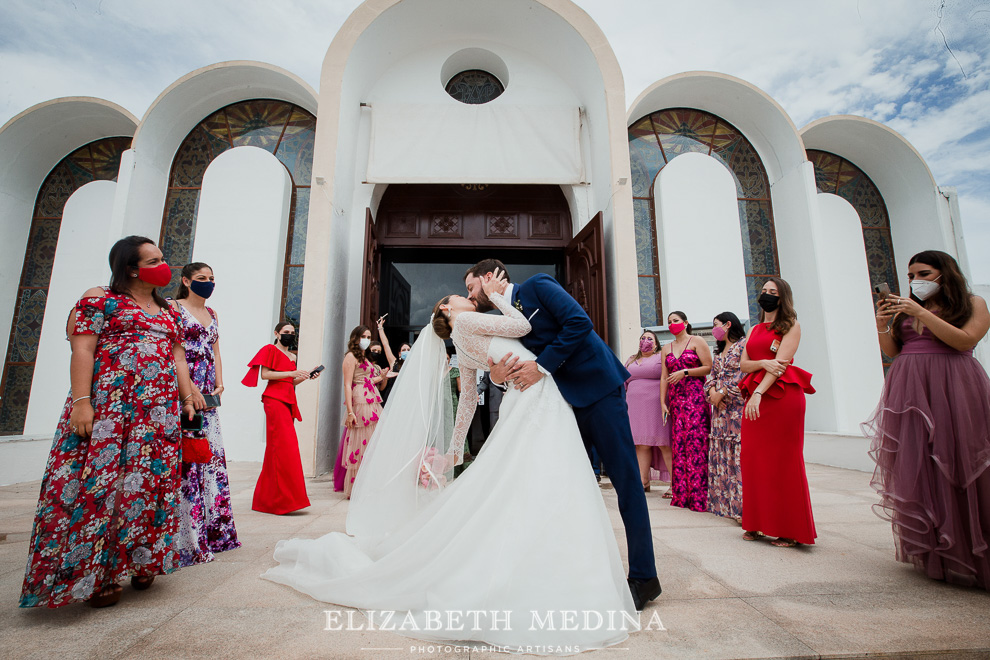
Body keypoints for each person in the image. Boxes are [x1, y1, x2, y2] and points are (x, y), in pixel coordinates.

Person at [263, 269, 639, 650]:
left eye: (471, 288)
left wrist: (455, 450)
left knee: (525, 485)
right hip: (534, 401)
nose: (468, 295)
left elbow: (472, 399)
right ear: (447, 308)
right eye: (461, 294)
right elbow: (523, 327)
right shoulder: (470, 319)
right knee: (540, 483)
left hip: (528, 399)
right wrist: (498, 298)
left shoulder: (462, 336)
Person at [20, 236, 205, 608]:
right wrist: (82, 403)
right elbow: (82, 348)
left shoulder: (168, 310)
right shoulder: (100, 298)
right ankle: (96, 573)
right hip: (110, 410)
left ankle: (143, 558)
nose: (163, 265)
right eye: (153, 260)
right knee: (102, 488)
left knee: (150, 485)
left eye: (163, 258)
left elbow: (178, 357)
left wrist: (188, 397)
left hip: (157, 416)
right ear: (130, 268)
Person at [477, 260, 660, 609]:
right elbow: (512, 363)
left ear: (489, 278)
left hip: (599, 391)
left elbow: (579, 323)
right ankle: (577, 573)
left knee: (625, 482)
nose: (473, 298)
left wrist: (542, 366)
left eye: (473, 288)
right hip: (561, 408)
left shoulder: (537, 285)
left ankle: (644, 576)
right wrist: (499, 376)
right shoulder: (501, 319)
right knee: (567, 488)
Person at [866, 250, 990, 588]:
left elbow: (966, 339)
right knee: (921, 464)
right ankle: (938, 550)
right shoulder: (907, 310)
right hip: (911, 391)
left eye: (922, 274)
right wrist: (882, 327)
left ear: (944, 273)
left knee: (963, 461)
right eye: (909, 276)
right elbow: (894, 350)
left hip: (954, 387)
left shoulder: (972, 303)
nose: (914, 281)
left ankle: (976, 549)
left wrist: (921, 311)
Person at [171, 262, 240, 566]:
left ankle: (214, 529)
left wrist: (220, 381)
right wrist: (189, 390)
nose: (208, 283)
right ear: (186, 280)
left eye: (212, 278)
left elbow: (215, 349)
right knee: (186, 456)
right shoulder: (174, 308)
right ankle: (186, 534)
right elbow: (173, 349)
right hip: (182, 389)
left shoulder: (212, 314)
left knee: (207, 455)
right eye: (201, 279)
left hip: (207, 388)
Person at [739, 278, 816, 547]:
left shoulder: (791, 326)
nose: (767, 295)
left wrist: (759, 392)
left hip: (780, 397)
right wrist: (762, 363)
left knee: (783, 461)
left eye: (773, 292)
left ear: (782, 298)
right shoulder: (756, 328)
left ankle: (789, 529)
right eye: (763, 292)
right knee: (753, 458)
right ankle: (757, 524)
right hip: (756, 398)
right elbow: (745, 365)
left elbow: (781, 365)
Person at [242, 322, 319, 514]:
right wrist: (292, 372)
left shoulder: (292, 356)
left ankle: (268, 500)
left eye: (292, 333)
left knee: (277, 449)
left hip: (287, 401)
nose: (289, 335)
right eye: (286, 332)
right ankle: (282, 501)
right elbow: (265, 375)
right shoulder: (270, 349)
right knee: (284, 448)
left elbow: (290, 382)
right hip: (274, 401)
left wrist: (306, 375)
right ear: (277, 333)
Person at [659, 311, 712, 512]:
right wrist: (662, 402)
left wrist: (686, 372)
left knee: (697, 444)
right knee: (679, 445)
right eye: (670, 322)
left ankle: (700, 496)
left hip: (696, 397)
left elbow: (708, 367)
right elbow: (664, 377)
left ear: (686, 323)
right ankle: (682, 494)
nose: (672, 324)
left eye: (676, 321)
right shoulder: (666, 348)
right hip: (676, 400)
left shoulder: (696, 341)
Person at [705, 311, 747, 522]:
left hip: (736, 408)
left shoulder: (743, 346)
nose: (714, 329)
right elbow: (711, 377)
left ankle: (743, 507)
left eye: (716, 325)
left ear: (728, 324)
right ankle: (727, 504)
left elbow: (744, 374)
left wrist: (723, 393)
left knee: (738, 456)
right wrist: (712, 393)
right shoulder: (719, 352)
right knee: (723, 457)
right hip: (719, 412)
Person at [338, 325, 385, 498]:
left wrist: (382, 376)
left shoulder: (364, 356)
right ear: (355, 338)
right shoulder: (350, 357)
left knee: (373, 440)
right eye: (363, 336)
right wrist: (350, 411)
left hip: (372, 397)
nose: (366, 339)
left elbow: (368, 379)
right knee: (361, 441)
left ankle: (370, 485)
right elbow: (347, 384)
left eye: (368, 336)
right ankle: (357, 487)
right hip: (359, 399)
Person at [625, 330, 671, 492]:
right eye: (643, 338)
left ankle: (676, 484)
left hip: (656, 404)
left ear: (656, 343)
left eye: (650, 338)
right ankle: (643, 481)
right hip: (635, 406)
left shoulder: (661, 357)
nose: (645, 341)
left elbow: (668, 376)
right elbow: (623, 380)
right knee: (641, 444)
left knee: (663, 443)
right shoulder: (631, 359)